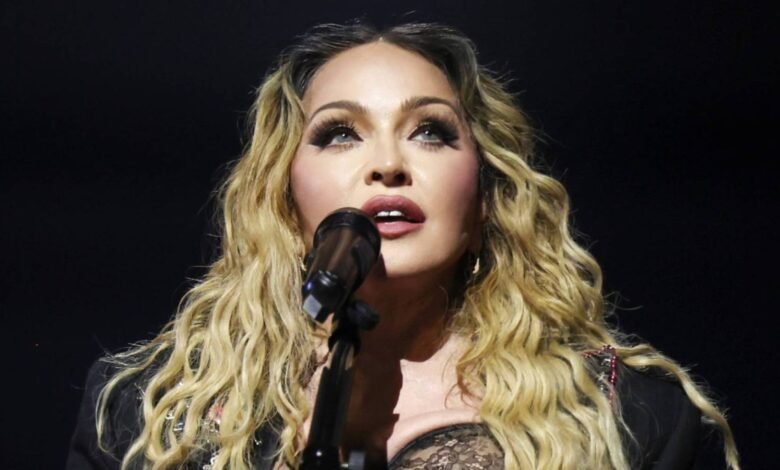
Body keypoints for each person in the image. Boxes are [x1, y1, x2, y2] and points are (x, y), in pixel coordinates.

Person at [67, 22, 739, 470]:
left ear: (484, 199)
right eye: (339, 133)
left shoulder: (630, 417)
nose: (388, 164)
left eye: (430, 132)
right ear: (283, 200)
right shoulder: (148, 414)